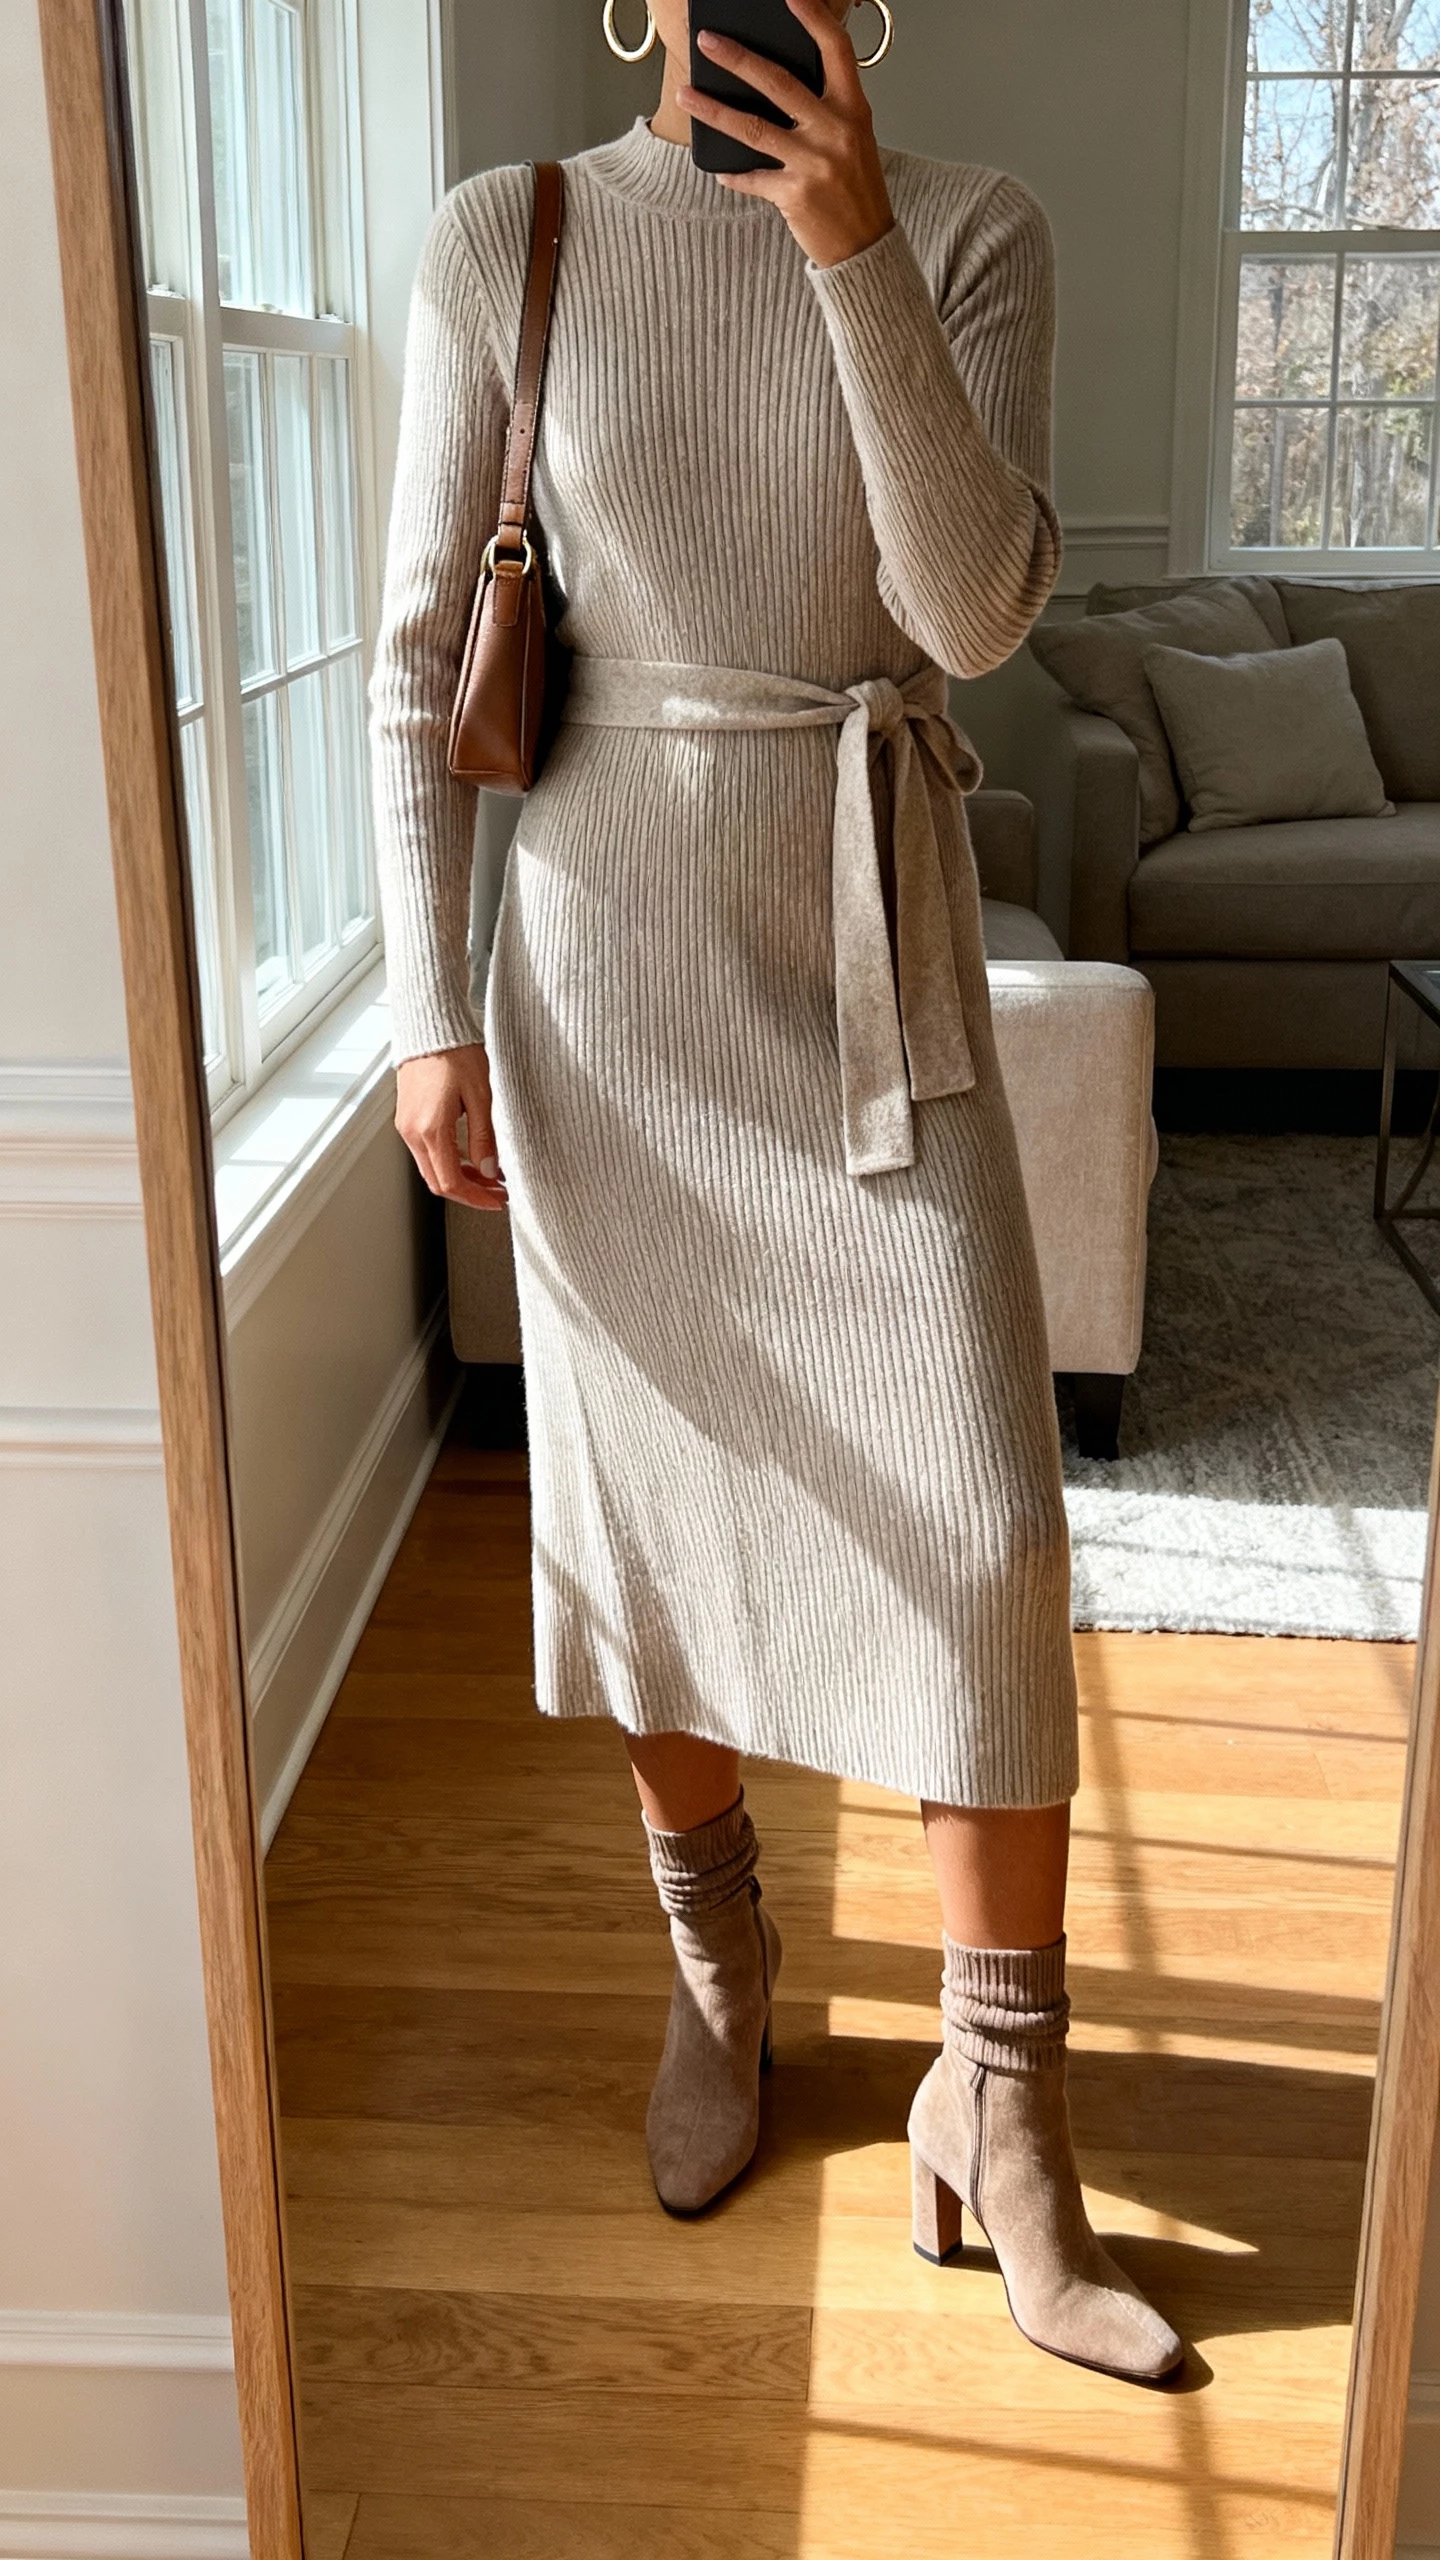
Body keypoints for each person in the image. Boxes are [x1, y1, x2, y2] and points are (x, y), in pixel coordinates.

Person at [370, 0, 1181, 2382]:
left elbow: (975, 612)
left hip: (877, 958)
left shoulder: (974, 231)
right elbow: (428, 649)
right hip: (609, 978)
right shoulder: (501, 240)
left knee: (992, 1525)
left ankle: (1000, 2102)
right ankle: (724, 1963)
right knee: (658, 1517)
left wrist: (847, 252)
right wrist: (426, 1001)